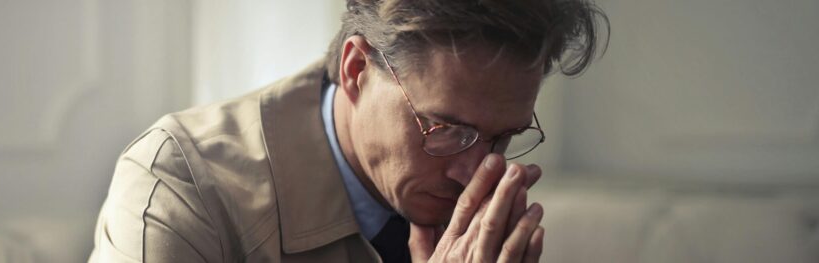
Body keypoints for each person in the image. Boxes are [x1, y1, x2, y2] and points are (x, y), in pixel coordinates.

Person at [88, 0, 607, 262]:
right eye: (447, 128)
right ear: (358, 69)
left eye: (503, 137)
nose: (477, 171)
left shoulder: (486, 229)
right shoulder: (178, 186)